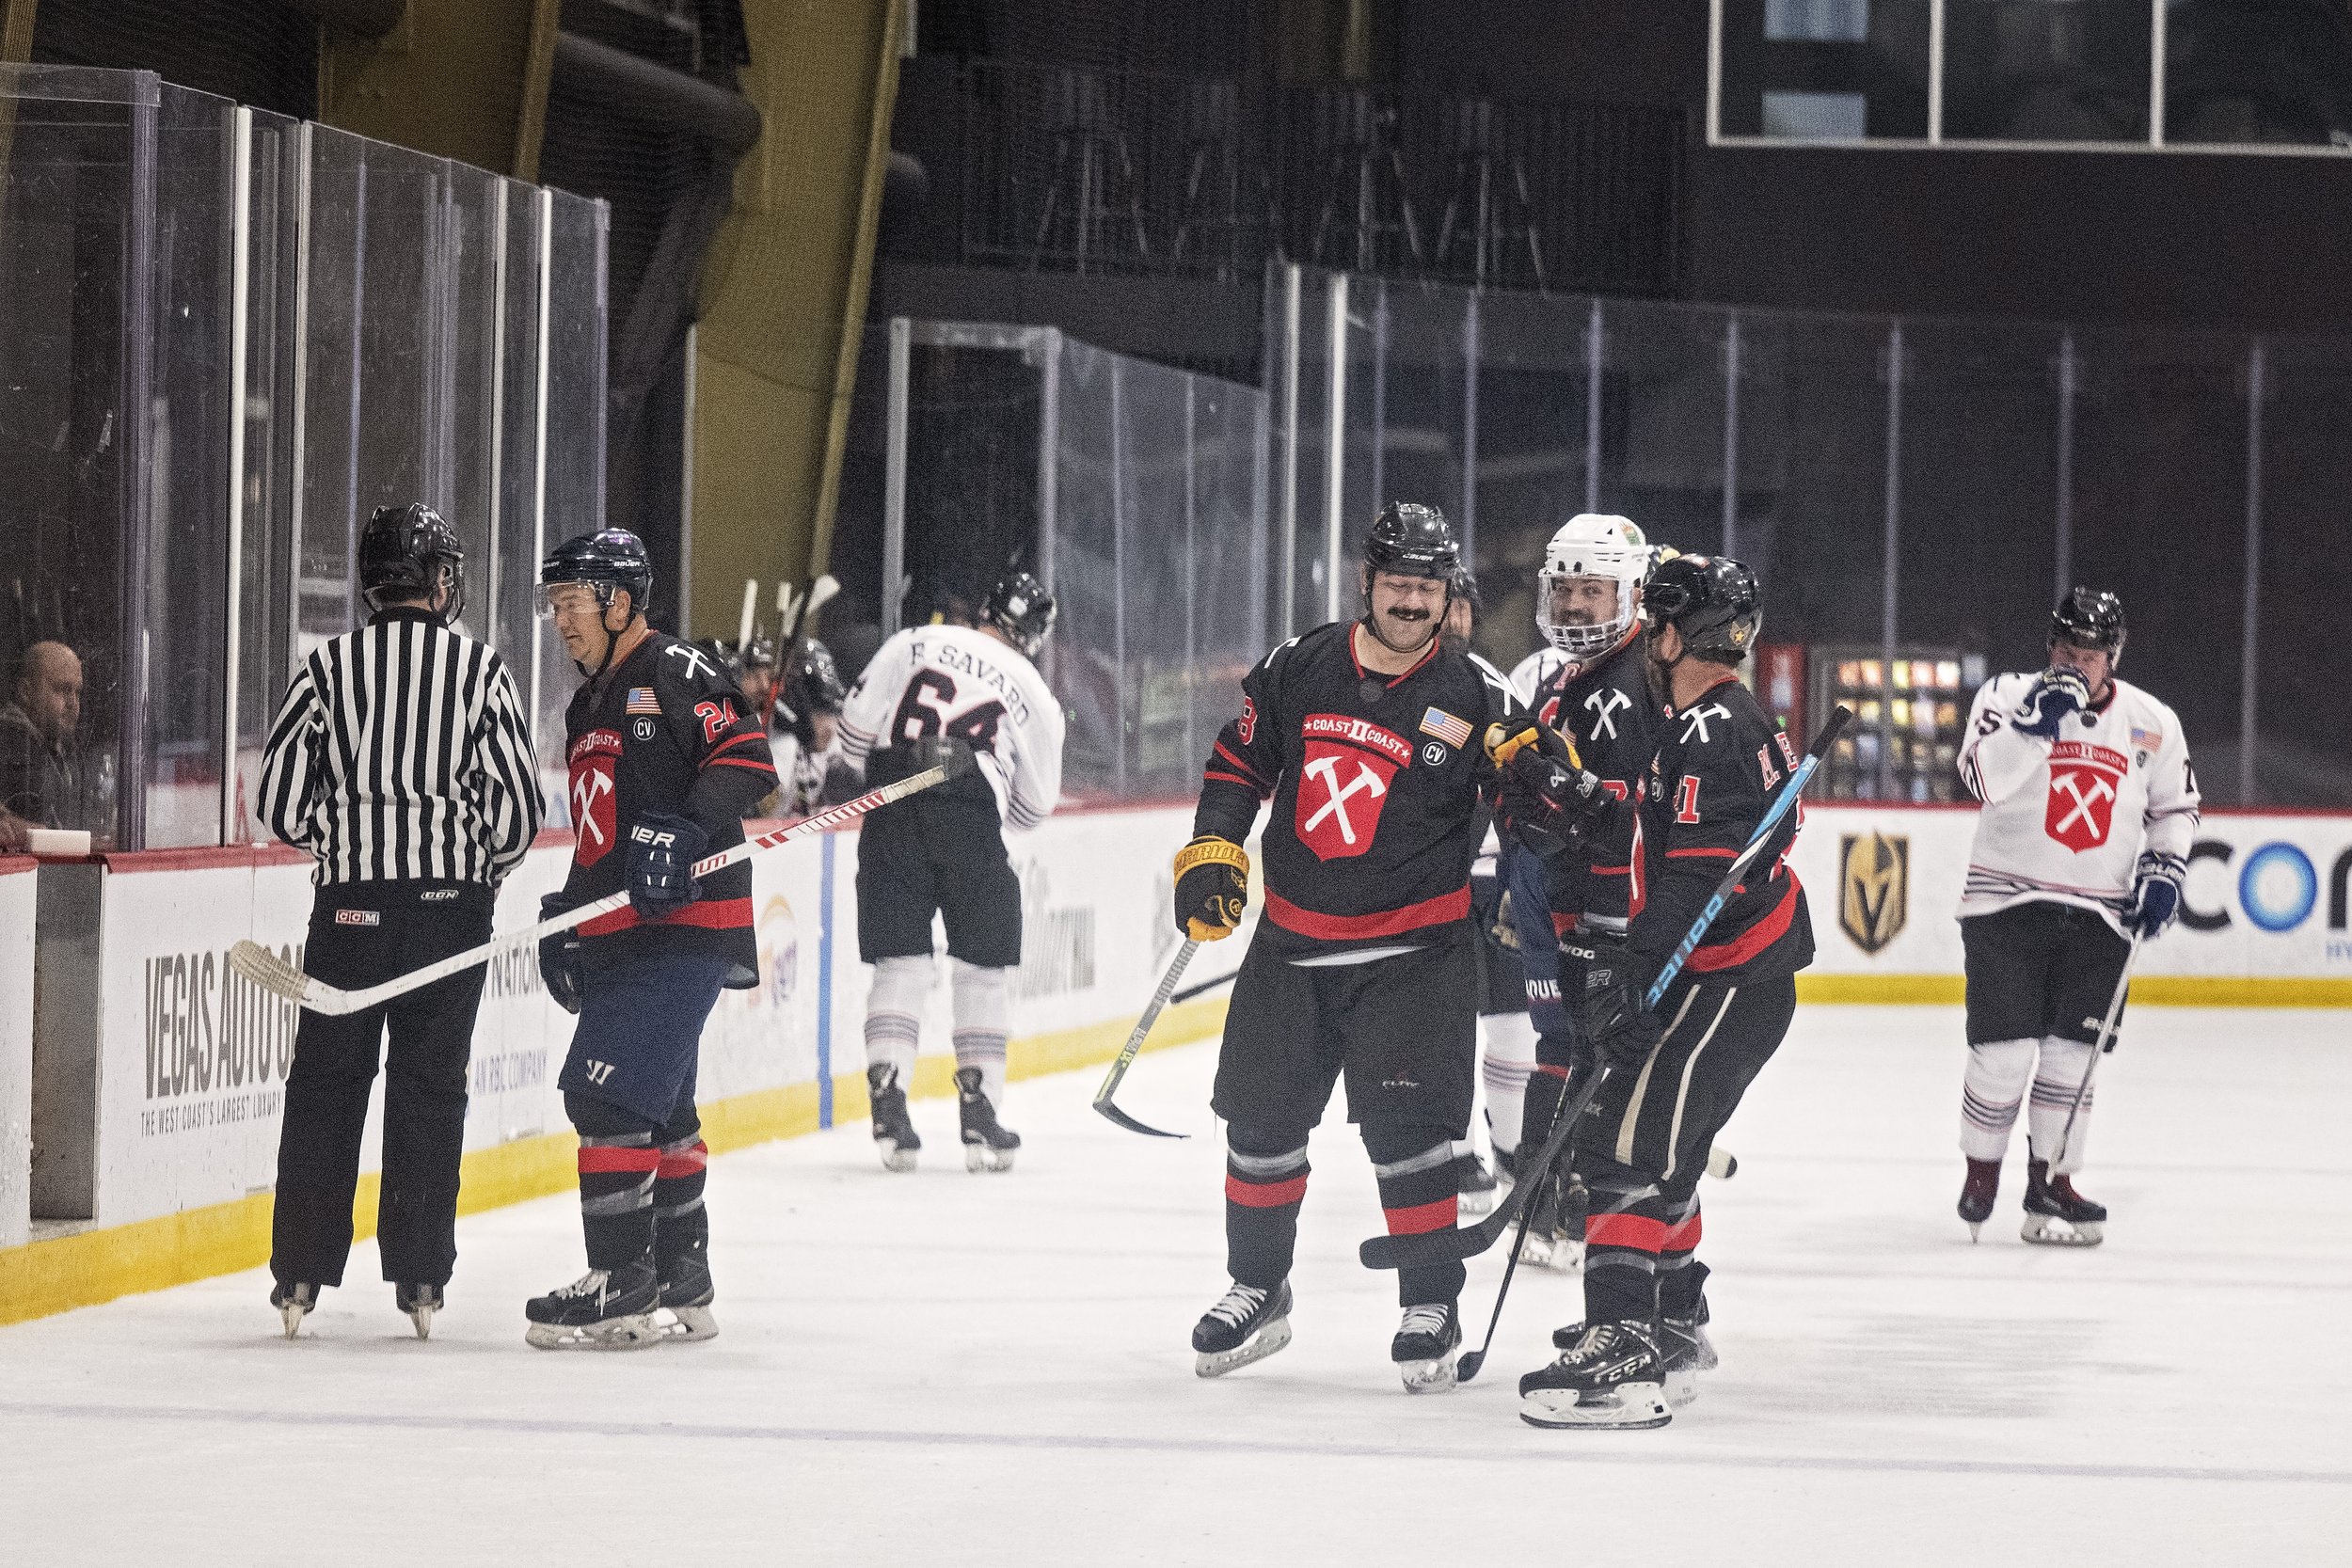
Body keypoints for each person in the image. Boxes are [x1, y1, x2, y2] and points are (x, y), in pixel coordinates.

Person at [1178, 502, 1601, 1395]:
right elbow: (1238, 764)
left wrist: (1547, 792)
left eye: (1427, 586)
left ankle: (1430, 1302)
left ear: (1448, 593)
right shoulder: (1301, 666)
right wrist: (1215, 847)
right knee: (1259, 1127)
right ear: (1366, 581)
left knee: (1411, 1138)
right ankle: (1258, 1285)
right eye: (1397, 583)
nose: (1412, 601)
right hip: (1292, 944)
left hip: (1415, 954)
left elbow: (1539, 805)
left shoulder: (1480, 692)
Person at [1518, 553, 1813, 1431]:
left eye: (1656, 626)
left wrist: (1623, 988)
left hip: (1726, 982)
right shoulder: (1724, 721)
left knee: (1622, 1146)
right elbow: (1672, 840)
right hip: (1737, 975)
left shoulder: (1705, 734)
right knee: (1661, 1143)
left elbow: (1685, 890)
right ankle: (1674, 1322)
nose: (1647, 639)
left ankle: (1624, 1348)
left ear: (1678, 632)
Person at [257, 504, 542, 1339]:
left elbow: (278, 800)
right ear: (440, 580)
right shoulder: (482, 671)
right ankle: (419, 1275)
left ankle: (300, 1274)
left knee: (326, 1084)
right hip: (450, 913)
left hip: (349, 909)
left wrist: (346, 845)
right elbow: (518, 815)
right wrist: (470, 868)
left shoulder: (327, 669)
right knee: (429, 1086)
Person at [530, 529, 778, 1349]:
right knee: (662, 1105)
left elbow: (749, 762)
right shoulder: (588, 702)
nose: (561, 620)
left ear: (621, 601)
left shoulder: (674, 670)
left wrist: (686, 825)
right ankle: (683, 1274)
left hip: (685, 926)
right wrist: (569, 916)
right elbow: (602, 833)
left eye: (573, 603)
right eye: (556, 605)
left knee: (603, 1096)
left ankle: (621, 1278)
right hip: (623, 930)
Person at [1951, 588, 2197, 1246]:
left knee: (2070, 1055)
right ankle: (1981, 1170)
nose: (2077, 662)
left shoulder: (2153, 721)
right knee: (2002, 1052)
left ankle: (2052, 1178)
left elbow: (2175, 809)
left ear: (2112, 656)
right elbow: (1980, 779)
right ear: (2048, 646)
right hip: (2005, 901)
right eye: (2067, 649)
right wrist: (2034, 727)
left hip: (2101, 911)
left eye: (2090, 653)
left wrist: (2164, 870)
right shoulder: (2005, 695)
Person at [836, 570, 1064, 1174]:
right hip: (968, 810)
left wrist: (872, 775)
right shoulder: (1035, 694)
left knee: (900, 962)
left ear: (985, 610)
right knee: (984, 967)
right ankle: (979, 1112)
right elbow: (1030, 810)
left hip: (891, 801)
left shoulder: (913, 641)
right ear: (1035, 636)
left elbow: (854, 734)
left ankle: (888, 1102)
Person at [1506, 515, 1670, 1274]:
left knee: (1613, 1058)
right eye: (1565, 588)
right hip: (1565, 896)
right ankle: (1550, 1198)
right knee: (1566, 1043)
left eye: (1592, 589)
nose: (1574, 605)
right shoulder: (1555, 677)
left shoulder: (1655, 671)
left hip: (1628, 911)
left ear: (1631, 592)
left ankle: (1605, 1219)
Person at [0, 640, 89, 841]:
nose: (73, 703)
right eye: (62, 689)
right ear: (26, 692)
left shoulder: (58, 748)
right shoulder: (10, 743)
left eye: (77, 692)